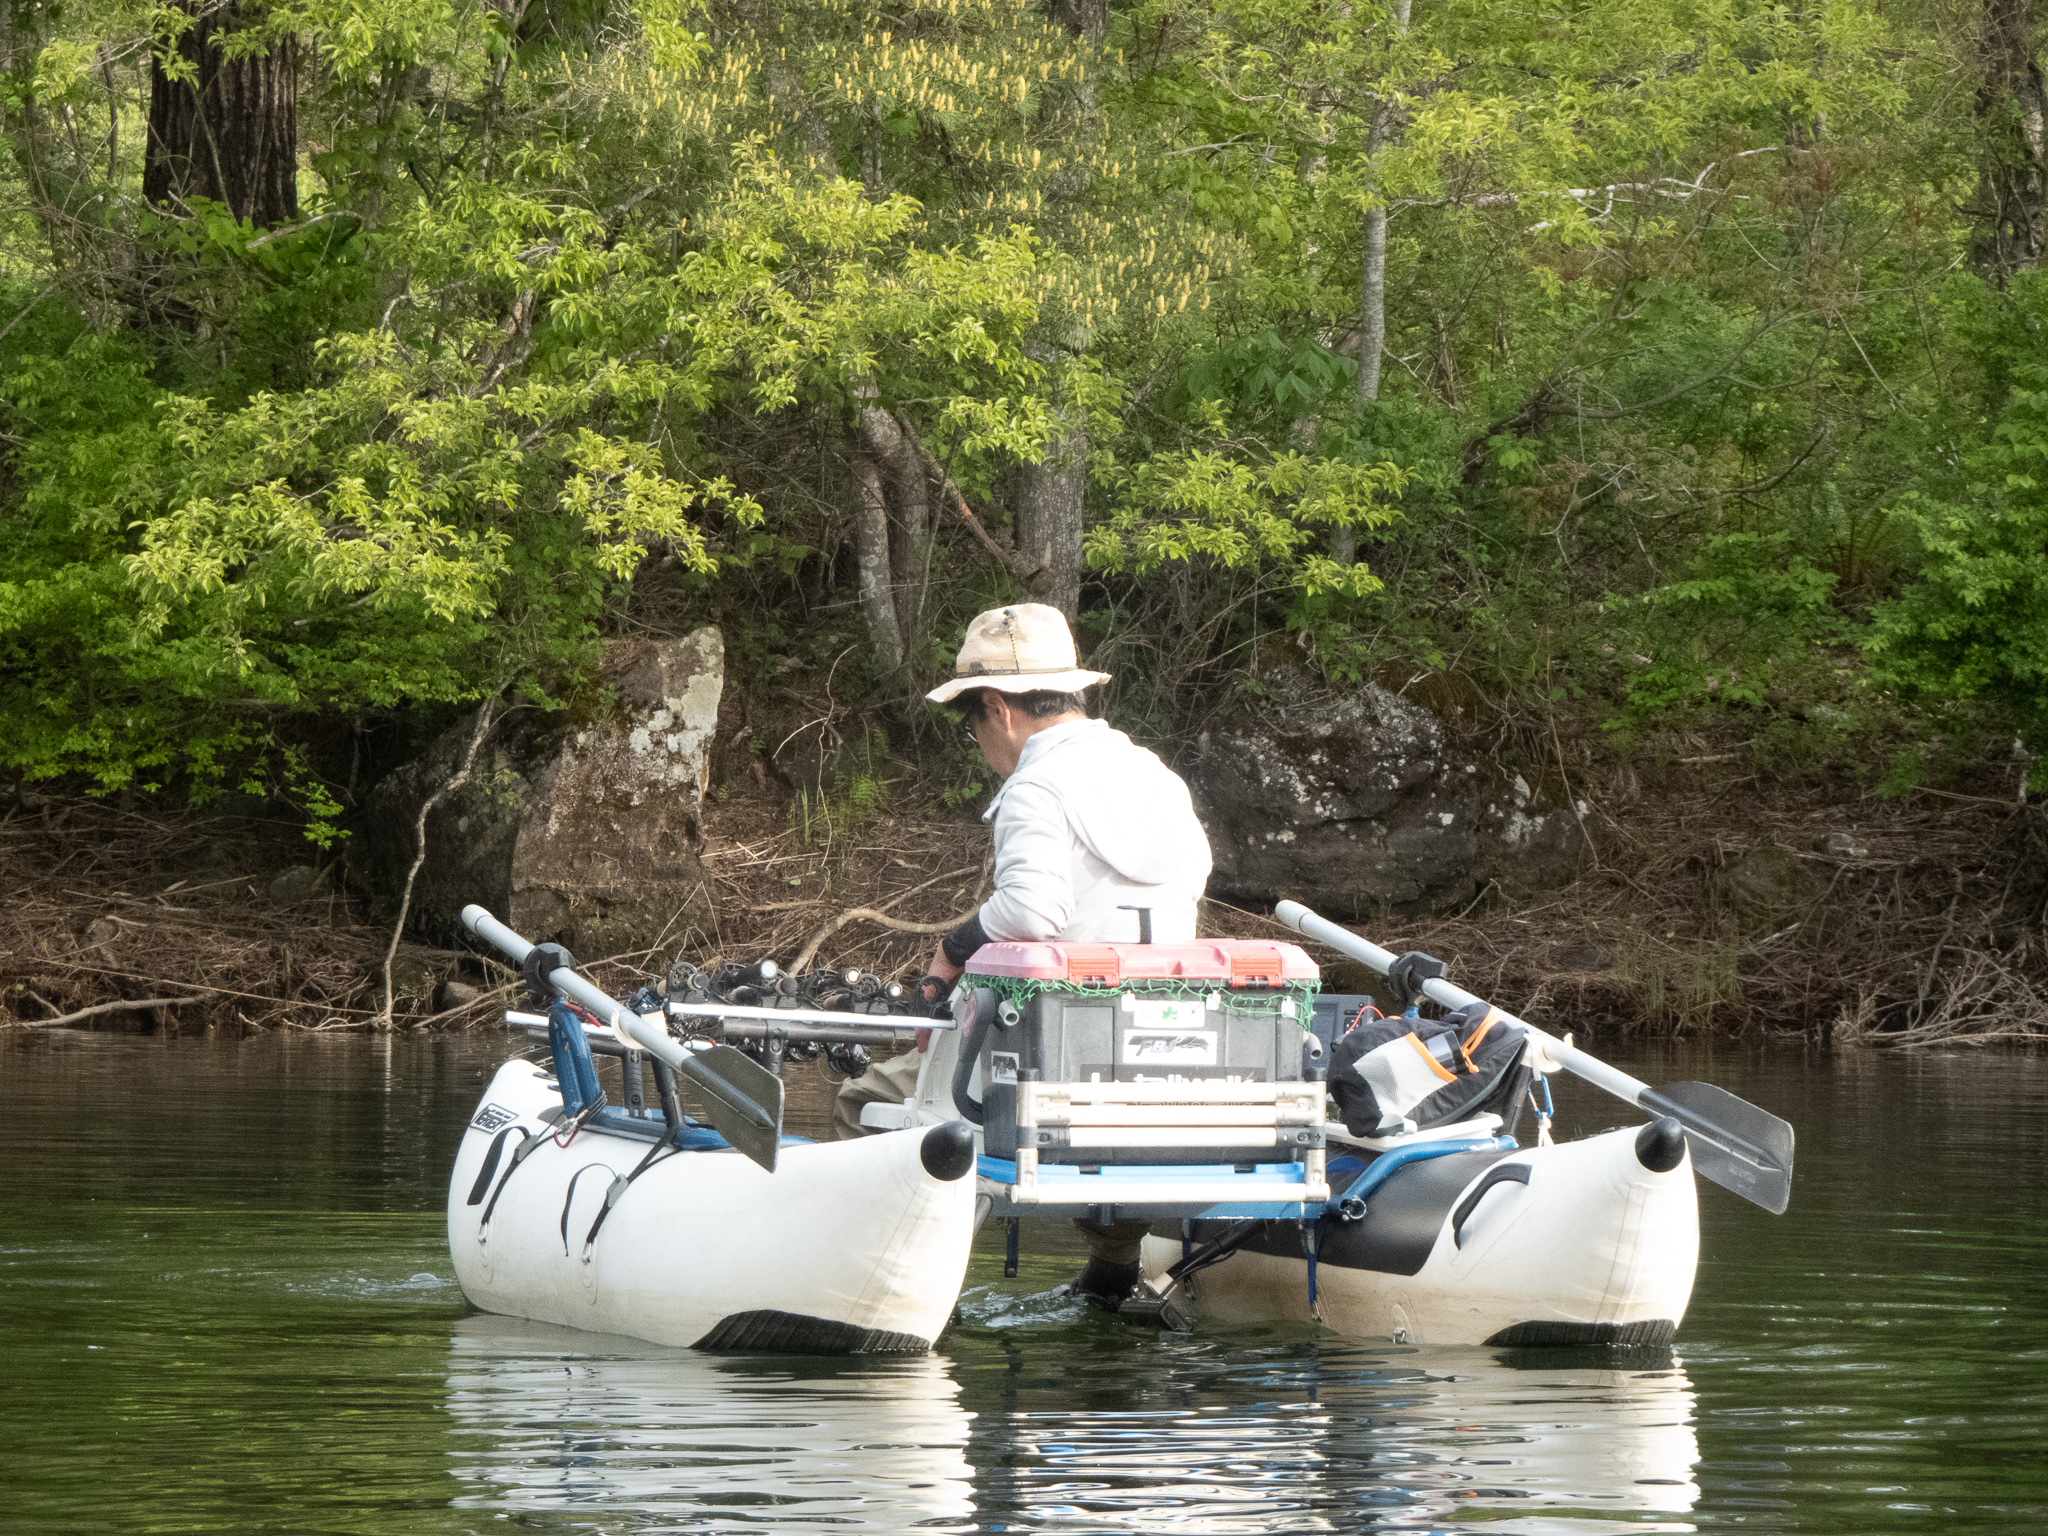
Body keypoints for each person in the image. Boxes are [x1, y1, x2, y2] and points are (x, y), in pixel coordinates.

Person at [833, 603, 1214, 1309]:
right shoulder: (1156, 777)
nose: (978, 742)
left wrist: (951, 949)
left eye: (972, 724)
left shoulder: (1036, 786)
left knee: (866, 1098)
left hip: (1049, 1056)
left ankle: (889, 1288)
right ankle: (1113, 1266)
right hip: (1158, 1052)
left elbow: (1034, 910)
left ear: (996, 708)